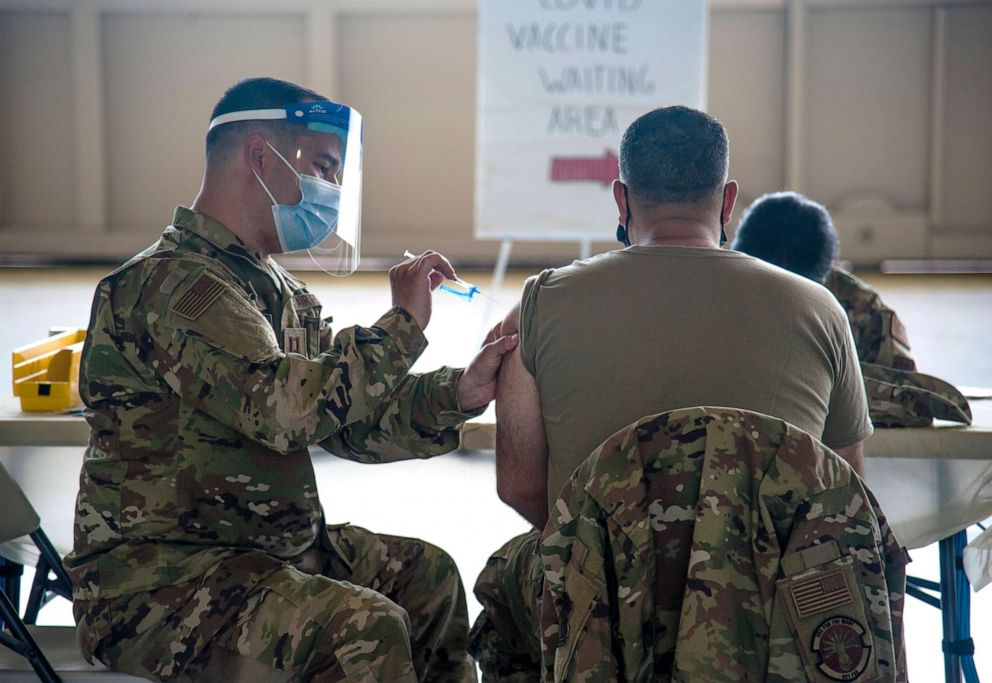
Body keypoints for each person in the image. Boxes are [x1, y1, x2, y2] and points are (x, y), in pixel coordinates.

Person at [64, 77, 516, 682]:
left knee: (427, 578)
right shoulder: (173, 286)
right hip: (162, 580)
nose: (329, 190)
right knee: (362, 626)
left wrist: (456, 394)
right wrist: (403, 324)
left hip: (261, 555)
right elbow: (286, 414)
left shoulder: (272, 288)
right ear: (260, 156)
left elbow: (343, 419)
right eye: (323, 168)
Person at [468, 106, 873, 680]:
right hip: (765, 614)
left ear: (621, 198)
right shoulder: (818, 309)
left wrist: (628, 552)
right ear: (729, 200)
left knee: (509, 573)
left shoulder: (540, 306)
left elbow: (522, 489)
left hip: (600, 607)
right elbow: (844, 489)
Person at [732, 191, 916, 371]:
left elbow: (902, 393)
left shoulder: (867, 314)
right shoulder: (726, 289)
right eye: (769, 290)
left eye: (794, 293)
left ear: (823, 278)